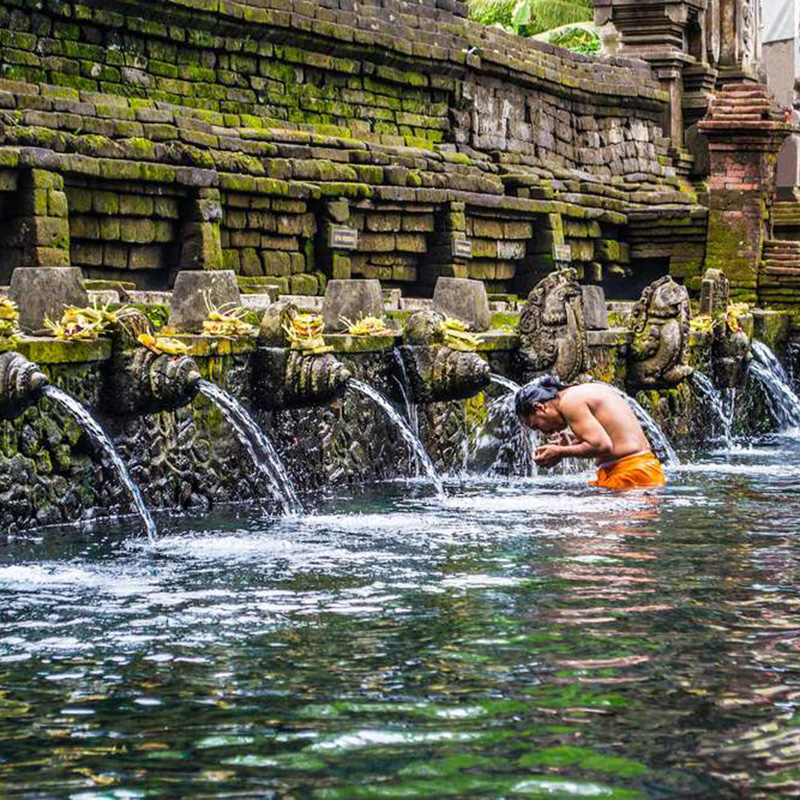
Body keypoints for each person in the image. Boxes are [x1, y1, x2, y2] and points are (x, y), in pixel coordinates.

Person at [515, 376, 665, 490]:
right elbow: (613, 435)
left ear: (540, 408)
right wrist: (575, 440)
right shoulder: (582, 391)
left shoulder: (569, 402)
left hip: (630, 475)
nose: (544, 432)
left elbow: (602, 446)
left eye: (536, 426)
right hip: (641, 470)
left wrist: (560, 452)